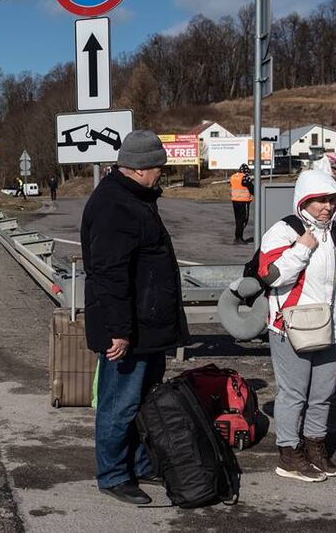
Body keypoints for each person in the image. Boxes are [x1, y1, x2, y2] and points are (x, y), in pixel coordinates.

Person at [81, 130, 190, 505]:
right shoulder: (115, 205)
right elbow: (108, 275)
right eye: (158, 165)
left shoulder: (135, 197)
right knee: (119, 405)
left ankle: (139, 464)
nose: (162, 171)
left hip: (147, 326)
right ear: (140, 168)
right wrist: (119, 331)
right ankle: (113, 475)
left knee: (141, 401)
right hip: (128, 331)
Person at [257, 170, 336, 482]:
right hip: (291, 326)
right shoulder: (283, 231)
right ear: (304, 200)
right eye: (320, 199)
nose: (327, 206)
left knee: (322, 393)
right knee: (294, 394)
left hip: (331, 325)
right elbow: (273, 275)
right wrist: (303, 248)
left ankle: (315, 447)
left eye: (332, 199)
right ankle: (289, 454)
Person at [229, 164, 254, 244]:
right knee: (243, 220)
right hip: (243, 201)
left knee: (238, 220)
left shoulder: (233, 177)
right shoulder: (245, 177)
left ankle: (237, 237)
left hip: (235, 200)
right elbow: (252, 189)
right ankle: (239, 238)